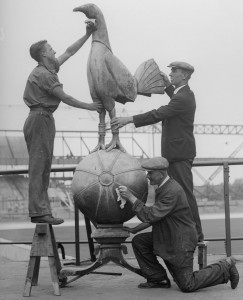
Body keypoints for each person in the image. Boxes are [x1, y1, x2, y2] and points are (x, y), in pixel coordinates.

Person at [111, 61, 204, 241]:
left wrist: (129, 119)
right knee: (177, 193)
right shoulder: (182, 94)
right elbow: (174, 98)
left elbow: (159, 113)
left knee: (184, 194)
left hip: (179, 155)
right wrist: (168, 86)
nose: (170, 74)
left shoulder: (183, 98)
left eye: (174, 71)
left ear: (184, 75)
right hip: (177, 153)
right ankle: (186, 232)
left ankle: (197, 234)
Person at [118, 156, 239, 292]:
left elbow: (151, 215)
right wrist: (135, 230)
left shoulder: (171, 191)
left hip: (180, 242)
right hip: (169, 236)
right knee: (140, 241)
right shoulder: (164, 187)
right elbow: (158, 216)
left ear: (161, 173)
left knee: (188, 285)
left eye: (150, 173)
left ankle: (226, 266)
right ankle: (158, 278)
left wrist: (131, 197)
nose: (148, 176)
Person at [23, 21, 103, 225]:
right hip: (39, 118)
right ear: (43, 54)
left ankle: (42, 211)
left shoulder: (49, 67)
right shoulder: (43, 74)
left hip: (44, 118)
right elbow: (65, 98)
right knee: (39, 167)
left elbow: (69, 51)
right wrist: (90, 106)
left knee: (44, 166)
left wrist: (86, 34)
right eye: (50, 48)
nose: (54, 49)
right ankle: (39, 212)